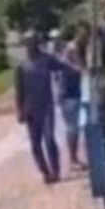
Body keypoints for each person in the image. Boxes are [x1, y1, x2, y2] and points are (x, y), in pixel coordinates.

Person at [14, 33, 61, 184]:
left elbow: (63, 67)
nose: (31, 45)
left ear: (37, 43)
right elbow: (19, 91)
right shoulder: (22, 66)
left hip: (47, 106)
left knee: (49, 139)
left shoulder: (47, 59)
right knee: (35, 145)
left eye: (33, 41)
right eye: (28, 42)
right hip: (31, 110)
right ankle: (45, 172)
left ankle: (56, 171)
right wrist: (19, 110)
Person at [52, 33, 87, 170]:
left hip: (72, 96)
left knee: (74, 129)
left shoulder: (65, 61)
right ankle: (73, 160)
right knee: (72, 128)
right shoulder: (65, 63)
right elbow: (80, 70)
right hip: (68, 97)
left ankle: (74, 158)